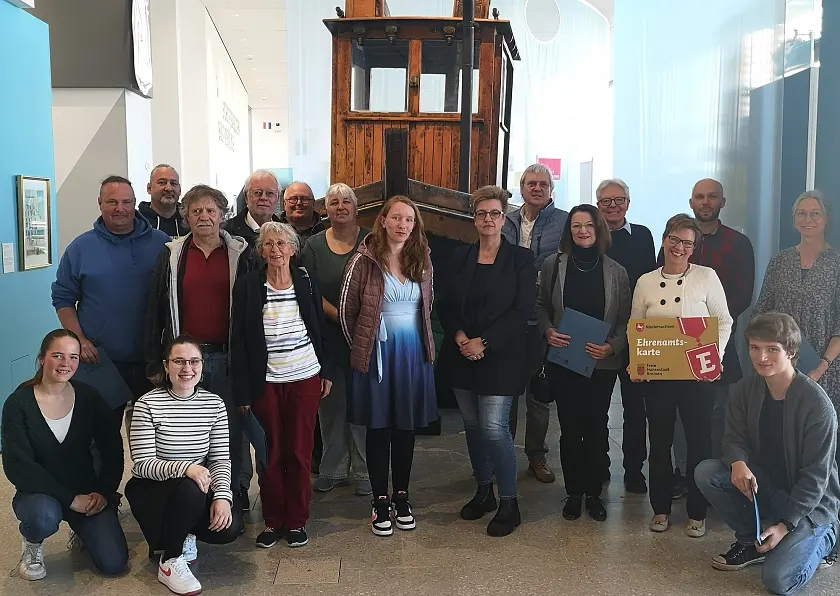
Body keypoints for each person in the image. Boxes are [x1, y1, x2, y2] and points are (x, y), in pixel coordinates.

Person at [695, 312, 839, 595]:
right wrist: (737, 462)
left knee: (778, 580)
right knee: (708, 473)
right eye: (754, 348)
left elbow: (815, 478)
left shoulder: (816, 405)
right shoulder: (745, 390)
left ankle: (828, 536)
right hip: (767, 488)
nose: (761, 357)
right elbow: (733, 437)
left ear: (791, 351)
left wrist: (786, 524)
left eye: (772, 349)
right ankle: (753, 542)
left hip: (810, 503)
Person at [145, 184, 251, 509]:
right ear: (186, 216)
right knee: (187, 429)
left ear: (222, 215)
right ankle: (192, 496)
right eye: (196, 211)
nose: (204, 216)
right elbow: (155, 310)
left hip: (227, 357)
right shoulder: (172, 255)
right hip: (186, 362)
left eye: (210, 210)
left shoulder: (240, 254)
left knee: (230, 430)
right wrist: (154, 362)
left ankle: (231, 492)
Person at [439, 186, 535, 537]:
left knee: (495, 429)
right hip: (463, 353)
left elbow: (522, 310)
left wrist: (486, 341)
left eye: (495, 213)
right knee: (474, 426)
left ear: (504, 216)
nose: (488, 220)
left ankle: (510, 502)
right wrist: (462, 338)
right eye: (482, 214)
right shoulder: (460, 257)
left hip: (502, 355)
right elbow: (446, 304)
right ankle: (484, 491)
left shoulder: (521, 259)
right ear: (474, 218)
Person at [339, 196, 438, 537]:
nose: (402, 225)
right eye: (396, 218)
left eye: (409, 220)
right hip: (378, 353)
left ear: (415, 225)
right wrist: (362, 351)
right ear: (383, 221)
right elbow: (345, 312)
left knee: (406, 429)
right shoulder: (364, 260)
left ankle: (402, 496)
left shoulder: (422, 259)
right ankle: (380, 500)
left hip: (412, 353)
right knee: (379, 428)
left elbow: (427, 307)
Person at [231, 222, 333, 549]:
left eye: (282, 243)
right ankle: (274, 521)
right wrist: (243, 390)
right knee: (270, 454)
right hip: (266, 382)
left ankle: (297, 521)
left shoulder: (305, 281)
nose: (276, 250)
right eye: (269, 244)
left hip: (304, 376)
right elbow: (239, 341)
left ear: (292, 248)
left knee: (300, 453)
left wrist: (325, 371)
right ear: (261, 251)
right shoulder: (248, 286)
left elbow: (319, 328)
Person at [631, 214, 733, 537]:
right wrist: (638, 362)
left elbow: (724, 321)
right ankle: (660, 508)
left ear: (694, 248)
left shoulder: (706, 277)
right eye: (674, 240)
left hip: (697, 377)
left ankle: (697, 512)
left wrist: (712, 360)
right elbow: (636, 326)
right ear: (664, 240)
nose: (679, 247)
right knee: (659, 443)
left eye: (686, 243)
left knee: (698, 442)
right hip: (658, 377)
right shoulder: (645, 281)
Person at [2, 329, 128, 581]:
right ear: (42, 359)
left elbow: (112, 448)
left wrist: (104, 492)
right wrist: (69, 498)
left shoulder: (89, 397)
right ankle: (32, 545)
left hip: (86, 493)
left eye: (73, 357)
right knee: (43, 517)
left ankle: (82, 530)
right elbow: (18, 466)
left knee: (114, 563)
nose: (66, 364)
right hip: (40, 494)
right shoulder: (18, 403)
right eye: (58, 355)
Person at [52, 175, 169, 431]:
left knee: (151, 440)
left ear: (135, 203)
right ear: (100, 203)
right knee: (99, 441)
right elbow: (63, 297)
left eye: (126, 202)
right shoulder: (80, 248)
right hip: (100, 360)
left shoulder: (162, 244)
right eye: (112, 202)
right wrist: (79, 340)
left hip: (152, 358)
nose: (120, 209)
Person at [126, 336, 241, 596]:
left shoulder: (214, 404)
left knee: (229, 527)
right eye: (179, 361)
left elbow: (221, 459)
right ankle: (170, 560)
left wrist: (222, 497)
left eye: (193, 361)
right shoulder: (147, 404)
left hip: (196, 487)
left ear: (203, 366)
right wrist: (187, 468)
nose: (186, 369)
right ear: (166, 366)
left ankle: (183, 531)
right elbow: (142, 465)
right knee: (191, 488)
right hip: (152, 488)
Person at [537, 205, 631, 522]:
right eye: (576, 225)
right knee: (569, 429)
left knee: (595, 428)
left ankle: (594, 493)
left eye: (588, 225)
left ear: (598, 228)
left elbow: (625, 320)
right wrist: (548, 330)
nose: (582, 231)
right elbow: (540, 307)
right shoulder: (554, 265)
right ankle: (574, 493)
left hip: (601, 364)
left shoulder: (616, 272)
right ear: (569, 231)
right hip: (564, 362)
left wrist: (612, 347)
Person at [670, 179, 755, 457]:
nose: (705, 202)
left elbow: (742, 296)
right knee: (681, 413)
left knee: (718, 412)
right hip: (677, 343)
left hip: (720, 342)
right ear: (691, 203)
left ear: (722, 202)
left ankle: (713, 474)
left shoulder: (739, 244)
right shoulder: (673, 244)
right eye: (699, 197)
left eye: (712, 197)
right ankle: (682, 472)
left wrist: (706, 329)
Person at [301, 183, 371, 496]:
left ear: (356, 208)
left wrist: (360, 322)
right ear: (325, 209)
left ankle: (367, 471)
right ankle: (333, 469)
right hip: (327, 337)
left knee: (363, 406)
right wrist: (341, 317)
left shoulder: (372, 239)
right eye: (333, 202)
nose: (340, 207)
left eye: (346, 201)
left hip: (365, 334)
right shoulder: (313, 246)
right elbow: (310, 290)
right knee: (329, 405)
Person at [501, 163, 569, 484]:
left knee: (540, 394)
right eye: (531, 183)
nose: (537, 188)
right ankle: (504, 455)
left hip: (545, 319)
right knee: (507, 392)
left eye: (543, 184)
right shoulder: (506, 220)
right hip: (509, 319)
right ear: (522, 188)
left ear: (551, 190)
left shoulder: (565, 222)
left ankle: (537, 455)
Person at [755, 191, 840, 428]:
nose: (808, 219)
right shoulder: (779, 262)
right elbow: (761, 312)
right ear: (794, 220)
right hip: (780, 365)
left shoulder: (837, 264)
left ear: (826, 219)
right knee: (780, 431)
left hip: (827, 369)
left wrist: (821, 366)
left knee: (821, 434)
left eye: (815, 213)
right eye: (801, 214)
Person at [597, 178, 657, 494]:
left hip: (638, 333)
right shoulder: (590, 236)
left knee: (636, 410)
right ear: (597, 205)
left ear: (628, 203)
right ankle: (601, 465)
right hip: (602, 335)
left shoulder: (644, 236)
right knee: (598, 406)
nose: (613, 206)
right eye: (606, 201)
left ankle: (634, 471)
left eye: (618, 200)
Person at [223, 169, 282, 264]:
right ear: (246, 196)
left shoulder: (287, 233)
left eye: (270, 193)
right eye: (257, 193)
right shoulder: (226, 233)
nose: (263, 198)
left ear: (278, 198)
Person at [138, 164, 187, 238]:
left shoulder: (189, 221)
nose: (169, 188)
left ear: (179, 190)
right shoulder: (136, 222)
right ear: (149, 188)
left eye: (173, 183)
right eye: (162, 183)